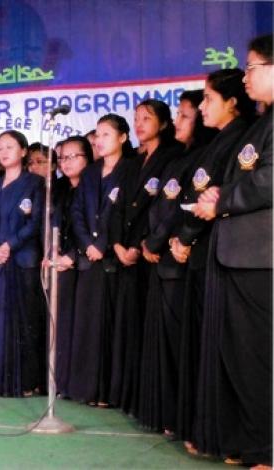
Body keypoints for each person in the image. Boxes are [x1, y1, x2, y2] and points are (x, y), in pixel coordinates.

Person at [193, 34, 272, 467]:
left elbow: (268, 181)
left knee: (260, 357)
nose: (246, 77)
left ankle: (268, 448)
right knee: (241, 356)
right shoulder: (262, 122)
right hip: (239, 255)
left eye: (253, 67)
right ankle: (251, 442)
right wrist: (219, 193)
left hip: (262, 257)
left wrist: (221, 200)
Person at [170, 77, 254, 450]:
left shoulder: (239, 138)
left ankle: (219, 435)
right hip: (199, 248)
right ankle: (205, 430)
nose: (202, 107)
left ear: (232, 101)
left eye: (208, 99)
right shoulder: (218, 140)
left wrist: (186, 238)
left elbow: (214, 195)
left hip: (213, 247)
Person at [135, 87, 223, 434]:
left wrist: (160, 241)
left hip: (178, 259)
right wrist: (147, 241)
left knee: (178, 344)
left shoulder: (200, 158)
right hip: (159, 257)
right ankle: (164, 414)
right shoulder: (177, 160)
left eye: (185, 115)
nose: (179, 121)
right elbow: (160, 206)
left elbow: (180, 212)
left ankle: (178, 417)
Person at [108, 100, 182, 415]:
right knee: (127, 326)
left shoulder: (172, 157)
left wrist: (140, 244)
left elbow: (159, 208)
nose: (139, 124)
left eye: (147, 118)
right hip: (124, 254)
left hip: (149, 254)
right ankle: (128, 397)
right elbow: (116, 207)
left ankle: (146, 400)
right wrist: (117, 245)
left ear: (163, 123)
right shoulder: (131, 163)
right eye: (136, 118)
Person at [68, 114, 133, 406]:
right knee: (88, 326)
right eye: (97, 134)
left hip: (112, 260)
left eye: (106, 134)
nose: (99, 140)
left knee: (111, 327)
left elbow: (121, 214)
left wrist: (102, 244)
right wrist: (87, 245)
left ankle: (107, 392)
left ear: (123, 137)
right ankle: (87, 389)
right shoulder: (91, 172)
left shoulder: (131, 168)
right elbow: (77, 212)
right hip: (89, 259)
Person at [0, 130, 45, 397]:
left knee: (24, 321)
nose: (3, 152)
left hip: (22, 259)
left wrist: (9, 245)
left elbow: (35, 222)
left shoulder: (35, 183)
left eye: (10, 147)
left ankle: (26, 382)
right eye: (0, 148)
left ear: (23, 151)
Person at [50, 136, 93, 398]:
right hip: (60, 262)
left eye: (73, 156)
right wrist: (53, 251)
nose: (66, 162)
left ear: (88, 158)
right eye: (63, 158)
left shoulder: (94, 186)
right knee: (63, 324)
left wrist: (73, 256)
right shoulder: (58, 189)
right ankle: (62, 383)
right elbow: (52, 225)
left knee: (83, 326)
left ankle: (79, 385)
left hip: (85, 262)